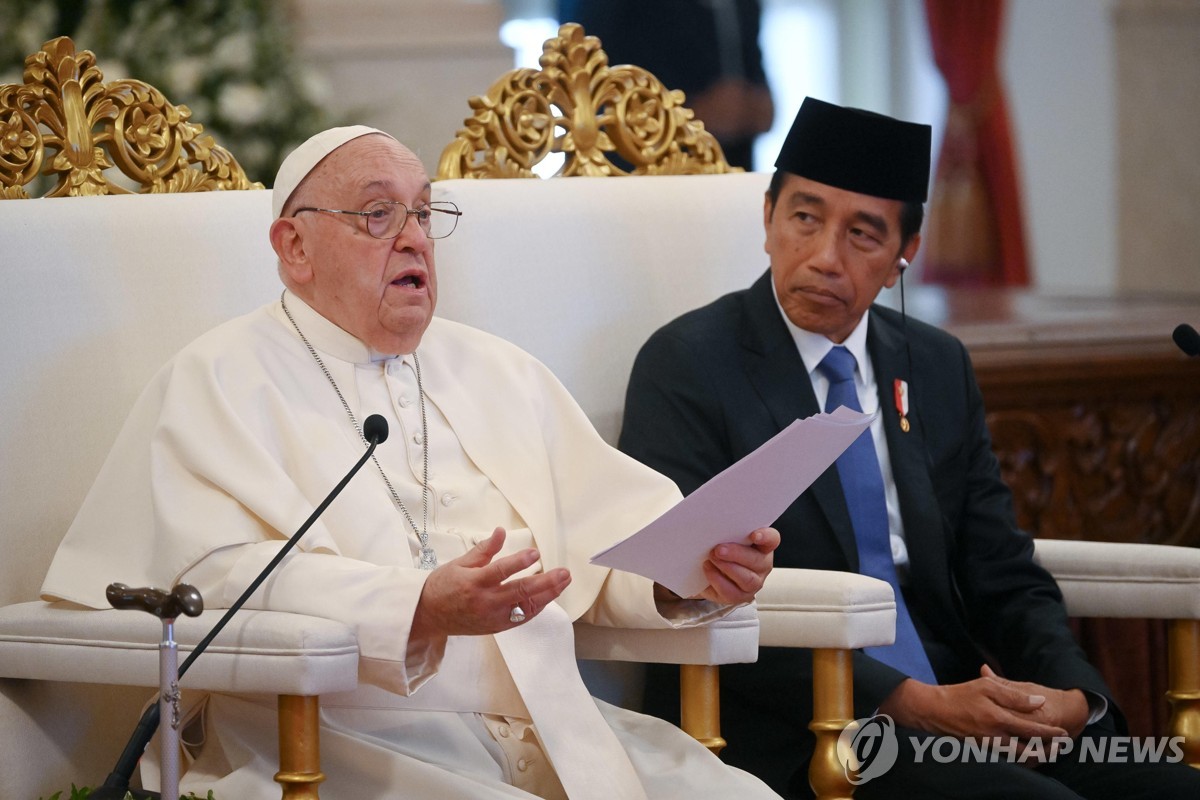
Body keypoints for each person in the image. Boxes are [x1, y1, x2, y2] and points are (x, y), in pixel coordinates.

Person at [40, 126, 782, 800]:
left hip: (560, 731)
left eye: (425, 215)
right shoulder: (218, 379)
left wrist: (687, 574)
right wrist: (416, 606)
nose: (415, 239)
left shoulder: (499, 369)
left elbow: (599, 554)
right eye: (377, 215)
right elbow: (209, 580)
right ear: (293, 248)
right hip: (338, 742)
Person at [618, 98, 1200, 799]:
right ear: (768, 217)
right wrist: (911, 704)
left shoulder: (932, 364)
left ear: (904, 256)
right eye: (804, 217)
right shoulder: (688, 364)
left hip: (955, 705)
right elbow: (680, 595)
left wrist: (1075, 700)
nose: (825, 258)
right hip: (793, 727)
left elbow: (1000, 571)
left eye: (863, 235)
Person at [565, 0, 774, 170]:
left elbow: (752, 66)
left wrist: (759, 99)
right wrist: (687, 114)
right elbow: (584, 64)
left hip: (732, 169)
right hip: (640, 172)